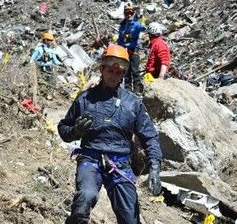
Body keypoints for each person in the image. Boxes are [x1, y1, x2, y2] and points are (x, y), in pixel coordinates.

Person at [58, 44, 162, 224]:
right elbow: (63, 129)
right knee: (85, 197)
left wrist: (155, 164)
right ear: (102, 68)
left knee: (129, 217)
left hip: (120, 165)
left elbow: (149, 135)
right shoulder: (85, 98)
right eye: (110, 71)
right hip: (90, 161)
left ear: (123, 75)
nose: (114, 76)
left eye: (118, 73)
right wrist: (76, 131)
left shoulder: (132, 103)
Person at [117, 6, 145, 93]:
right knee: (126, 71)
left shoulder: (136, 24)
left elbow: (142, 28)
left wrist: (143, 23)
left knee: (135, 70)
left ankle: (137, 90)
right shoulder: (122, 25)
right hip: (124, 50)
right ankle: (127, 90)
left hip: (133, 49)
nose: (129, 15)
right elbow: (120, 38)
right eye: (127, 13)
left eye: (131, 13)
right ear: (124, 14)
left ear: (133, 14)